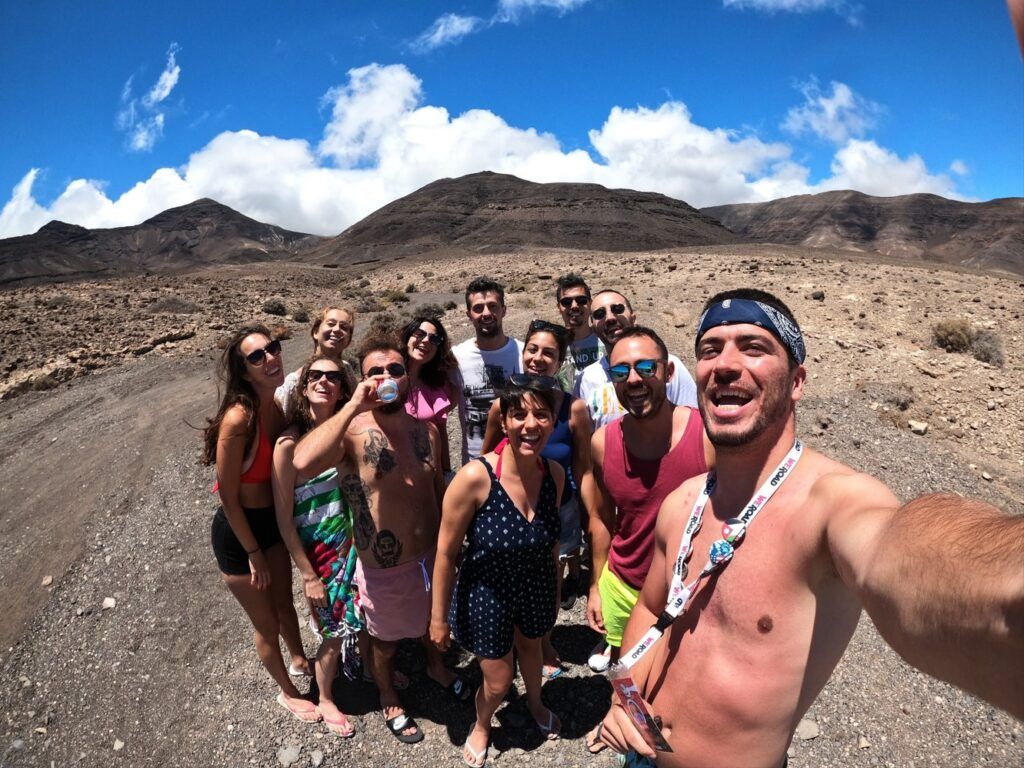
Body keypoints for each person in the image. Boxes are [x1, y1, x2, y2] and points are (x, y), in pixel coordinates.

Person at [597, 289, 1024, 766]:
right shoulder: (683, 501)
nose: (724, 364)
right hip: (636, 750)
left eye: (753, 347)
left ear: (797, 381)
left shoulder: (833, 502)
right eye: (710, 350)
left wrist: (1004, 579)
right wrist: (622, 694)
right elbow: (654, 605)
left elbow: (898, 548)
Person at [292, 336, 469, 745]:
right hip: (384, 568)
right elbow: (301, 462)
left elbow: (437, 490)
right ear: (362, 378)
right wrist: (354, 404)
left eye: (395, 369)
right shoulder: (352, 433)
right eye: (376, 371)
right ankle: (388, 695)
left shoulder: (427, 430)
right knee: (385, 642)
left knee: (431, 623)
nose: (386, 377)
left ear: (407, 377)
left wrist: (451, 548)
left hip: (432, 558)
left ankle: (435, 667)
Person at [584, 326, 713, 752]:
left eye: (645, 368)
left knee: (683, 679)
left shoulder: (705, 437)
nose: (634, 379)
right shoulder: (604, 442)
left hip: (686, 594)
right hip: (623, 585)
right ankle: (616, 722)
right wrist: (597, 586)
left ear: (667, 370)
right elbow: (602, 519)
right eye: (621, 370)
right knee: (624, 669)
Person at [431, 381, 567, 768]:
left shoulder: (554, 475)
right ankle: (482, 722)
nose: (530, 424)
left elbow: (551, 543)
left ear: (553, 421)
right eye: (519, 414)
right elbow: (445, 552)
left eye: (541, 414)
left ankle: (536, 703)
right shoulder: (476, 477)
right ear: (504, 420)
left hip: (536, 586)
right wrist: (437, 618)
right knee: (498, 680)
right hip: (487, 594)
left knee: (531, 650)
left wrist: (555, 591)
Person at [201, 325, 318, 723]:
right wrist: (253, 553)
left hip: (271, 523)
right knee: (266, 624)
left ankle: (300, 658)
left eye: (273, 348)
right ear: (244, 369)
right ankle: (287, 692)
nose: (270, 359)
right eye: (257, 356)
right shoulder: (239, 419)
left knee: (285, 603)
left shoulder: (279, 405)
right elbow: (228, 497)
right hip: (239, 535)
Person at [480, 319, 596, 673]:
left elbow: (584, 468)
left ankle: (543, 641)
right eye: (533, 349)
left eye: (549, 353)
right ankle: (514, 641)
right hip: (509, 507)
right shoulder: (503, 406)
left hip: (557, 508)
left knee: (551, 575)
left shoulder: (573, 409)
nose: (538, 358)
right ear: (523, 351)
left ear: (560, 362)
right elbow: (487, 457)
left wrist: (593, 517)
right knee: (511, 576)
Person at [272, 355, 364, 737]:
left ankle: (368, 670)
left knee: (363, 610)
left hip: (357, 541)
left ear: (343, 387)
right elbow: (284, 518)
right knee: (333, 625)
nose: (325, 381)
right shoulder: (287, 443)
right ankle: (325, 696)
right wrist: (307, 574)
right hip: (322, 552)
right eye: (316, 376)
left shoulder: (348, 431)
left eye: (334, 376)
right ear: (304, 385)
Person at [578, 290, 697, 429]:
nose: (610, 318)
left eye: (617, 309)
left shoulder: (666, 365)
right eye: (600, 314)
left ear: (633, 318)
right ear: (592, 328)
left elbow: (691, 422)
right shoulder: (586, 379)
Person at [453, 277, 524, 464]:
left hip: (520, 459)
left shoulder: (524, 352)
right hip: (475, 463)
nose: (486, 313)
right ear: (468, 314)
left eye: (492, 306)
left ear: (504, 310)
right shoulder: (456, 357)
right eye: (478, 308)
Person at [401, 315, 460, 476]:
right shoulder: (388, 381)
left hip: (431, 477)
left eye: (434, 339)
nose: (426, 341)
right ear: (407, 336)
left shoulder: (438, 385)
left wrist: (447, 472)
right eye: (419, 334)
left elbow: (441, 433)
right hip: (397, 476)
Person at [276, 306, 356, 419]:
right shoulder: (294, 382)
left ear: (348, 340)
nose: (337, 329)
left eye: (344, 327)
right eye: (331, 323)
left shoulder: (347, 371)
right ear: (315, 332)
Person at [553, 273, 603, 395]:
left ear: (590, 303)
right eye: (566, 302)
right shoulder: (553, 347)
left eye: (581, 300)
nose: (574, 306)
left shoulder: (606, 339)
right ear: (559, 307)